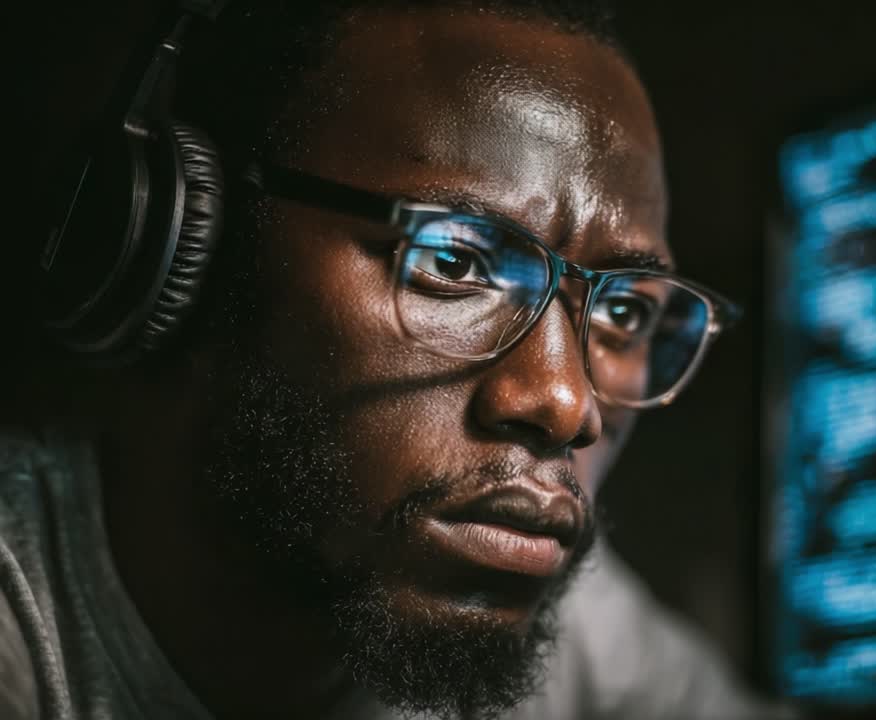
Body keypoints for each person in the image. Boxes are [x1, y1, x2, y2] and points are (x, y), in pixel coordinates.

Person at [0, 1, 790, 718]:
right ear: (189, 254)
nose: (564, 402)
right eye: (453, 262)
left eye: (624, 312)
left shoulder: (535, 584)